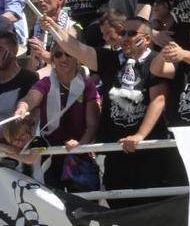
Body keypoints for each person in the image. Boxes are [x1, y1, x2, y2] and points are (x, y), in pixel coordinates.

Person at [44, 15, 171, 208]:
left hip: (148, 152)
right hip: (116, 151)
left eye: (131, 33)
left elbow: (159, 100)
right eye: (122, 32)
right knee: (118, 207)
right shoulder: (109, 59)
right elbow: (77, 49)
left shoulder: (155, 62)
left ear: (146, 38)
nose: (125, 37)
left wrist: (139, 135)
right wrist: (54, 27)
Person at [14, 43, 100, 190]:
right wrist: (23, 106)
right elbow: (31, 98)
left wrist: (80, 145)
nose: (63, 58)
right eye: (58, 55)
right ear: (53, 59)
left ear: (78, 59)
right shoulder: (45, 83)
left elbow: (93, 124)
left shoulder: (87, 85)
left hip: (78, 155)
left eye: (68, 54)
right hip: (50, 156)